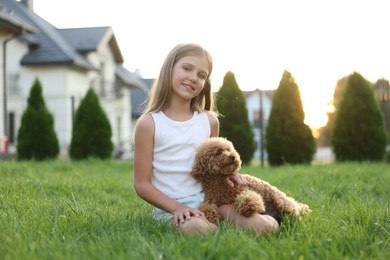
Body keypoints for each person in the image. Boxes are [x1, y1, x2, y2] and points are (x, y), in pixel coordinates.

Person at [133, 43, 279, 235]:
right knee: (198, 229)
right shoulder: (149, 123)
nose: (193, 78)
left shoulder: (209, 121)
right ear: (169, 69)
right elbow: (142, 184)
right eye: (187, 68)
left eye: (202, 75)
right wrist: (178, 208)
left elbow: (215, 164)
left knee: (264, 227)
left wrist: (229, 173)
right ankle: (214, 231)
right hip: (172, 208)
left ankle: (273, 217)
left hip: (211, 200)